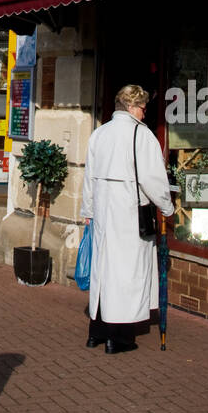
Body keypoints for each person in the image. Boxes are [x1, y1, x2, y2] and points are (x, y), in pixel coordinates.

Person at [81, 84, 174, 354]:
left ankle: (96, 331)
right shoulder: (142, 136)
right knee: (127, 273)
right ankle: (119, 337)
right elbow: (154, 180)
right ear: (132, 107)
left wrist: (88, 210)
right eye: (143, 108)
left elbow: (89, 177)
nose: (144, 114)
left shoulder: (99, 134)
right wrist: (167, 207)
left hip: (103, 211)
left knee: (104, 269)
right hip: (130, 213)